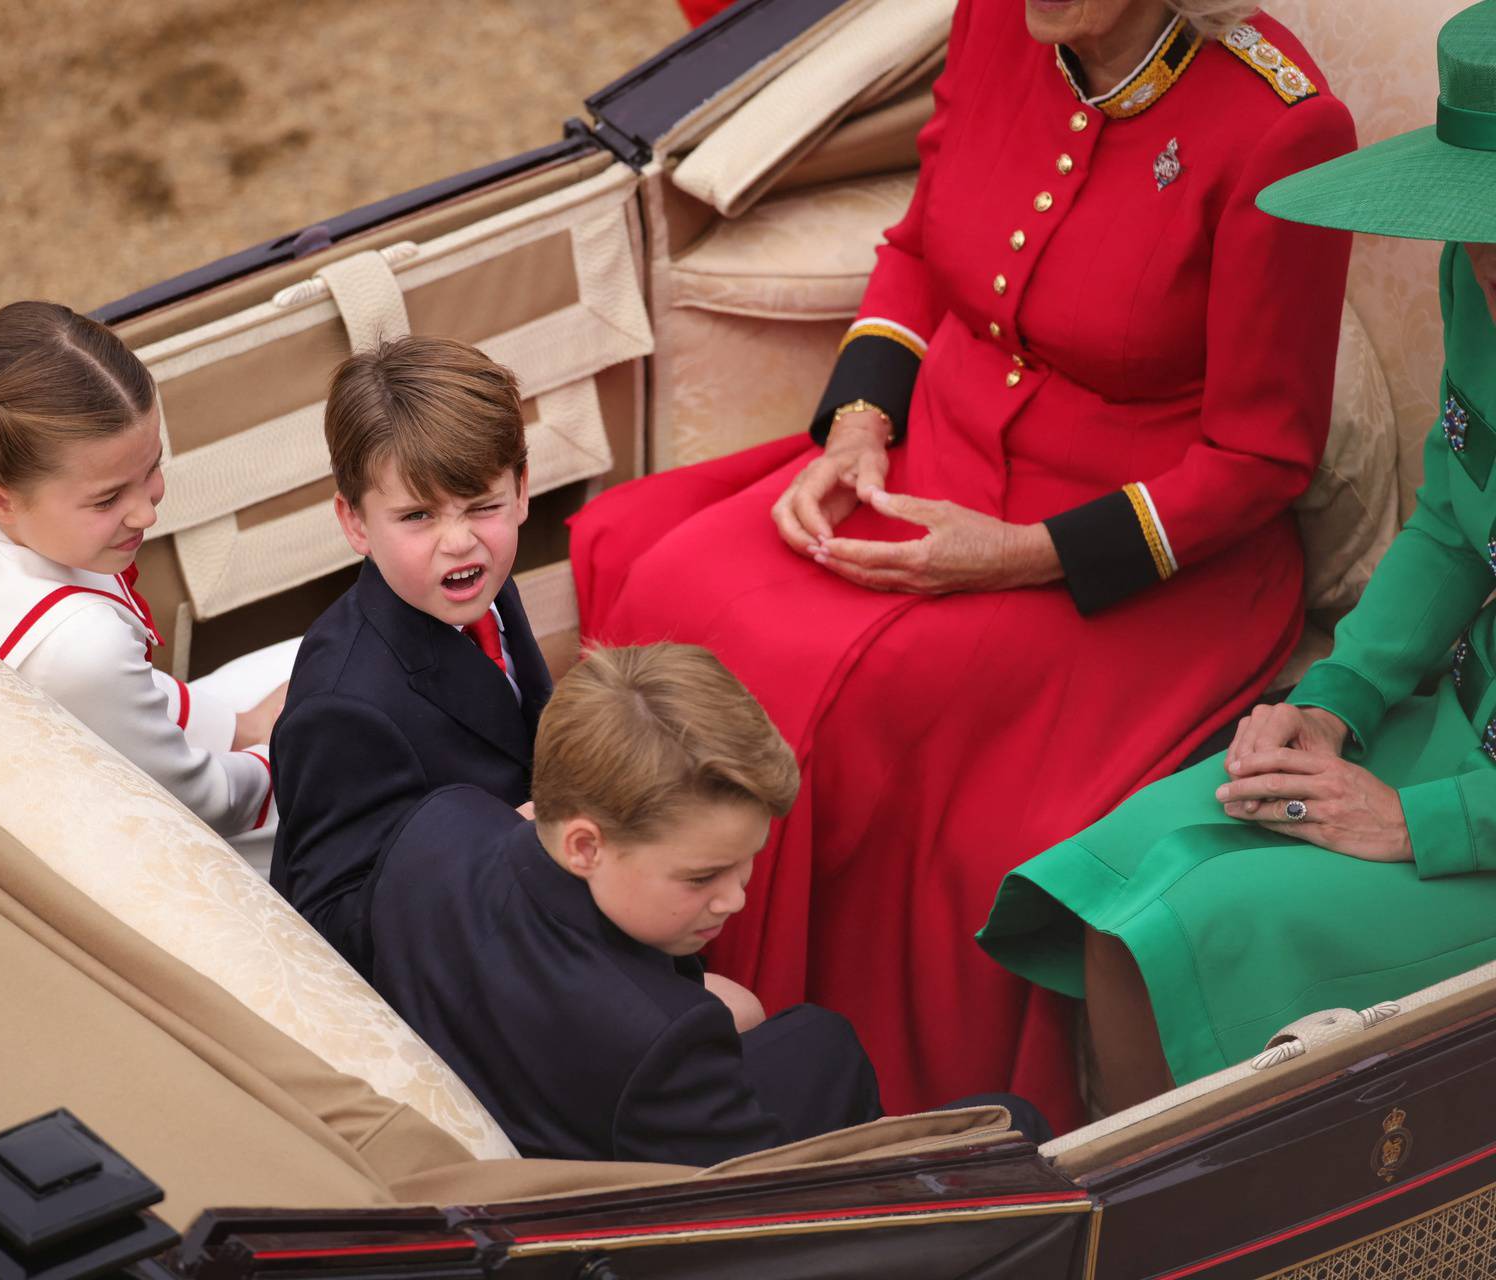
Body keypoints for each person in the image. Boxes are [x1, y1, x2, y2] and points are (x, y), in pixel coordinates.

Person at [569, 0, 1356, 1132]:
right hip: (934, 447)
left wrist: (1023, 553)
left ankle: (822, 1094)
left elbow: (1259, 458)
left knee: (855, 695)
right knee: (668, 576)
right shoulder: (1002, 18)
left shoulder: (1282, 125)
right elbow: (919, 249)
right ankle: (641, 1001)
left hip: (1135, 552)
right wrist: (857, 427)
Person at [980, 0, 1496, 1112]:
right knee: (1112, 885)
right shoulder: (1481, 274)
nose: (1489, 266)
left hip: (1479, 827)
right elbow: (1457, 521)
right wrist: (1338, 695)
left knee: (1196, 928)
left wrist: (1423, 822)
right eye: (1477, 224)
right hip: (1452, 717)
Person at [369, 644, 881, 1164]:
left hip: (509, 1069)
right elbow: (757, 1190)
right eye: (702, 876)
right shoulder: (659, 1047)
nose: (736, 898)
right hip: (607, 1165)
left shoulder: (440, 819)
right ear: (585, 847)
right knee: (828, 1043)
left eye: (748, 857)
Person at [0, 300, 280, 837]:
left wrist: (240, 727)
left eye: (152, 466)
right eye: (107, 500)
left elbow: (100, 697)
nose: (147, 512)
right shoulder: (82, 645)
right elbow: (204, 806)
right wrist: (291, 751)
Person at [270, 336, 552, 975]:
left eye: (483, 506)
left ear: (522, 491)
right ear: (355, 523)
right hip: (465, 963)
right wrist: (514, 844)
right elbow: (331, 922)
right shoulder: (345, 706)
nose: (460, 541)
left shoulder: (480, 584)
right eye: (418, 515)